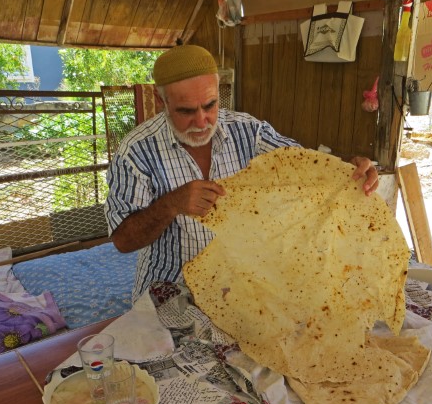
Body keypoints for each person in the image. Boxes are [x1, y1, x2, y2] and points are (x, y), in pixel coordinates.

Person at [105, 44, 380, 303]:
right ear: (161, 100)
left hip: (240, 293)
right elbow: (123, 241)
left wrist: (348, 168)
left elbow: (306, 167)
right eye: (186, 111)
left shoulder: (248, 132)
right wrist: (170, 205)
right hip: (170, 294)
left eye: (210, 105)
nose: (201, 122)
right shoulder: (136, 152)